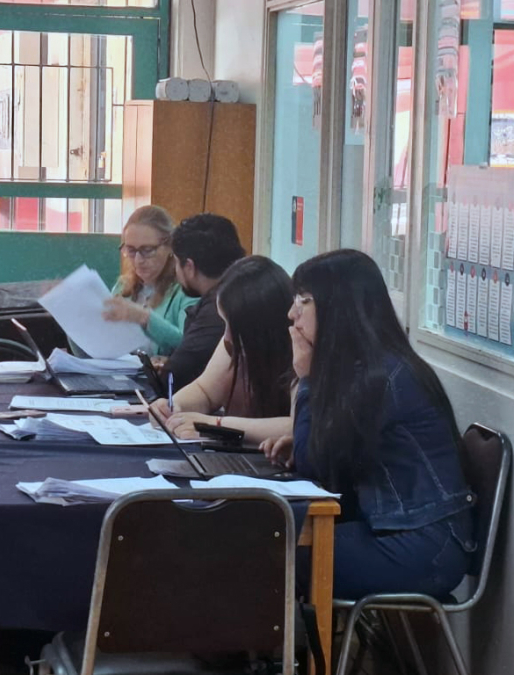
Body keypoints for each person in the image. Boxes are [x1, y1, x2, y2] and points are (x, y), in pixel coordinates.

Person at [265, 249, 475, 599]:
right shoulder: (368, 366)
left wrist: (306, 380)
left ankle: (290, 638)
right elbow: (328, 461)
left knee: (273, 551)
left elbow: (312, 465)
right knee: (269, 537)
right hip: (399, 530)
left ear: (339, 307)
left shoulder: (382, 377)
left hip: (424, 545)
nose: (292, 314)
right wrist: (307, 436)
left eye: (304, 300)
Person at [150, 256, 294, 445]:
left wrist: (216, 424)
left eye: (234, 327)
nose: (226, 337)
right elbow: (205, 392)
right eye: (224, 323)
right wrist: (174, 408)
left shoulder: (300, 351)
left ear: (262, 330)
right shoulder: (232, 343)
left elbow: (297, 427)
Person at [160, 213, 246, 390]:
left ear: (189, 267)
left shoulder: (218, 309)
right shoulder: (243, 292)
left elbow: (175, 374)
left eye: (176, 263)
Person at [102, 205, 197, 355]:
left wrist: (144, 317)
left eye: (147, 250)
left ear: (170, 246)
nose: (138, 260)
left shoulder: (187, 291)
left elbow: (191, 346)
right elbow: (100, 346)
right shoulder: (122, 287)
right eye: (131, 250)